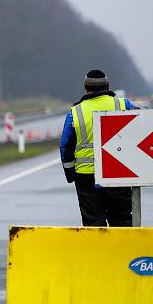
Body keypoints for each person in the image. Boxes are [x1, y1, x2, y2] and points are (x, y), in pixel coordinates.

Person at [60, 70, 138, 226]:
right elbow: (144, 125)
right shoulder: (123, 105)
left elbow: (65, 146)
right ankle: (124, 250)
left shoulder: (75, 112)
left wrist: (70, 173)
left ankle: (99, 251)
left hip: (86, 177)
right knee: (121, 221)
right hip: (118, 173)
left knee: (93, 224)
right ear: (107, 85)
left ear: (85, 87)